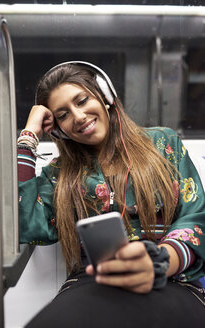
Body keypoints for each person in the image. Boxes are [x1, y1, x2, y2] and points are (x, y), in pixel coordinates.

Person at [17, 61, 205, 327]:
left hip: (170, 277)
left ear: (105, 95)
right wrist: (28, 136)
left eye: (82, 101)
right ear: (58, 129)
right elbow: (23, 224)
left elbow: (196, 219)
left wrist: (160, 261)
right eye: (63, 114)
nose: (78, 116)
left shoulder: (163, 144)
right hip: (92, 282)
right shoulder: (59, 174)